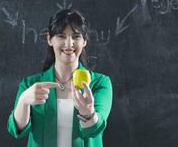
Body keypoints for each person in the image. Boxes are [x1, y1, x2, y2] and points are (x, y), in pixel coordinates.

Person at [7, 9, 113, 147]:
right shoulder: (30, 84)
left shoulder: (100, 83)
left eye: (76, 37)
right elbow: (17, 130)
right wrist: (23, 101)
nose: (69, 44)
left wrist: (89, 113)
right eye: (61, 36)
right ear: (49, 39)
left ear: (85, 40)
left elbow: (95, 129)